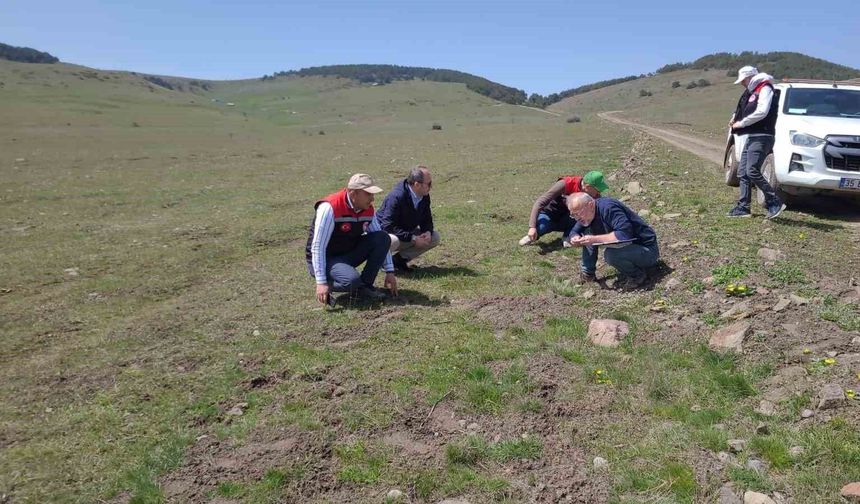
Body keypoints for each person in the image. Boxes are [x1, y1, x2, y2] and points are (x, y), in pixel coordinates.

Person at [306, 173, 398, 305]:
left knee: (382, 237)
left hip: (347, 253)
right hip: (327, 258)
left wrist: (390, 271)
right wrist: (321, 282)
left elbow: (380, 237)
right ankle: (331, 286)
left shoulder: (367, 209)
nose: (372, 198)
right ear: (353, 193)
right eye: (368, 194)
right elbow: (318, 246)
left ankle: (365, 286)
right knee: (351, 281)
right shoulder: (330, 207)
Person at [726, 65, 786, 220]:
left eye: (743, 80)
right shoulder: (751, 91)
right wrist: (735, 118)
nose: (741, 83)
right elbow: (743, 108)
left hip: (763, 135)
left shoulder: (765, 88)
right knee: (743, 172)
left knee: (752, 170)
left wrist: (743, 123)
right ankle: (743, 207)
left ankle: (774, 201)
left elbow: (762, 111)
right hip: (752, 135)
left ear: (750, 77)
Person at [566, 193, 659, 289]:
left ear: (590, 204)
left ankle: (637, 275)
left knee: (611, 255)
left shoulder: (608, 208)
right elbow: (574, 231)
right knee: (587, 235)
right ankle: (588, 273)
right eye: (573, 215)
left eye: (578, 213)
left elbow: (624, 234)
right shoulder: (587, 214)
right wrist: (574, 237)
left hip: (647, 249)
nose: (577, 218)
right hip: (629, 248)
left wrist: (594, 239)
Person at [374, 165, 440, 272]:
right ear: (417, 184)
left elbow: (426, 218)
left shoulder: (424, 196)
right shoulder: (397, 196)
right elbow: (387, 226)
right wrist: (413, 238)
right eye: (429, 184)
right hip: (385, 236)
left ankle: (398, 260)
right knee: (393, 240)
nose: (431, 187)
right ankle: (381, 261)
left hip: (405, 233)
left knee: (434, 237)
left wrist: (427, 231)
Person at [519, 171, 609, 246]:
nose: (599, 193)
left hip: (569, 218)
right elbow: (540, 202)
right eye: (597, 190)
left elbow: (598, 209)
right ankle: (532, 235)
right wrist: (532, 227)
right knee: (542, 227)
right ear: (588, 186)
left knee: (582, 217)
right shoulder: (565, 184)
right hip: (550, 214)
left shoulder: (594, 195)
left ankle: (568, 236)